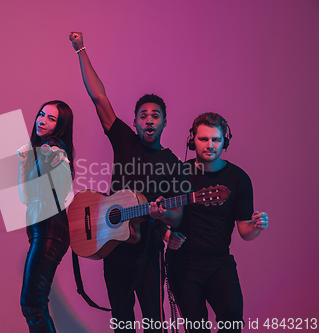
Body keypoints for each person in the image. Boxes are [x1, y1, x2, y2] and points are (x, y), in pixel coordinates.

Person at [69, 32, 183, 333]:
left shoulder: (173, 164)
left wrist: (163, 214)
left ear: (164, 122)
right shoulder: (125, 142)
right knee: (121, 319)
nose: (148, 120)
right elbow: (99, 98)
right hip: (113, 245)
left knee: (154, 321)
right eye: (142, 115)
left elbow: (177, 214)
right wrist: (80, 49)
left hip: (149, 251)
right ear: (133, 122)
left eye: (155, 116)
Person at [166, 112, 269, 333]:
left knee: (232, 319)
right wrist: (166, 234)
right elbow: (163, 214)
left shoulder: (239, 179)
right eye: (204, 139)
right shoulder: (179, 173)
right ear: (192, 141)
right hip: (183, 263)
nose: (210, 145)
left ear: (225, 142)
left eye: (216, 139)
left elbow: (244, 230)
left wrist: (256, 227)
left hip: (219, 261)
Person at [17, 100, 75, 333]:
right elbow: (24, 197)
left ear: (60, 126)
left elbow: (62, 191)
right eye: (42, 114)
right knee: (34, 304)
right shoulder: (41, 151)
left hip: (50, 232)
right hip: (42, 232)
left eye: (51, 118)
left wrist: (58, 159)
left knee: (33, 304)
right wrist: (23, 166)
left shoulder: (53, 149)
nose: (42, 120)